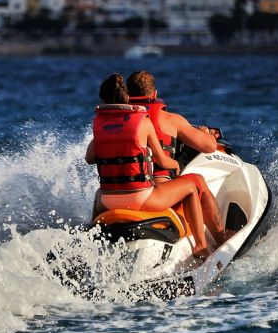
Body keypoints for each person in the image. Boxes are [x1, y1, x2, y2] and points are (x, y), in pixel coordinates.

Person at [85, 74, 211, 258]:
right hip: (140, 199)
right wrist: (175, 164)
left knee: (98, 194)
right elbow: (162, 161)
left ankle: (92, 241)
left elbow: (89, 158)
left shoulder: (100, 126)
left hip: (108, 202)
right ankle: (201, 248)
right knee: (191, 188)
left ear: (103, 101)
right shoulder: (142, 123)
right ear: (127, 98)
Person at [126, 70, 227, 243]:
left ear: (127, 96)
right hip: (157, 191)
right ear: (154, 93)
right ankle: (219, 241)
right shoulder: (170, 120)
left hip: (124, 191)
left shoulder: (120, 123)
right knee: (197, 182)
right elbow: (209, 146)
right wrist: (204, 133)